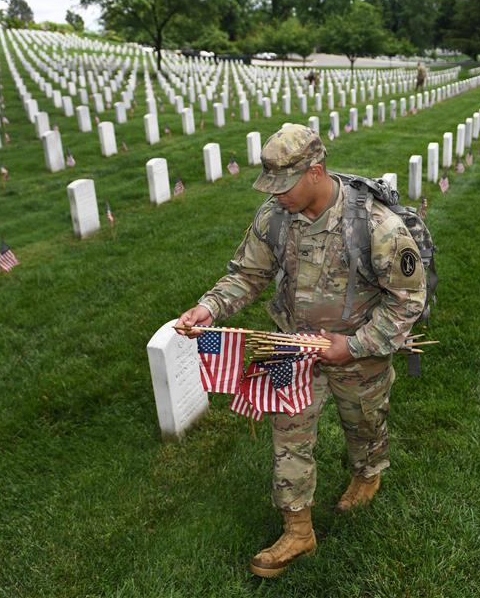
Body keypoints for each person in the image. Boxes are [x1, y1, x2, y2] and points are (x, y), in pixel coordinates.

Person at [177, 124, 426, 578]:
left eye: (284, 184)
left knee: (364, 423)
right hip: (292, 347)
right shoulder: (274, 216)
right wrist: (209, 307)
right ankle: (298, 530)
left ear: (316, 171)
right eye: (271, 185)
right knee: (288, 436)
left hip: (359, 351)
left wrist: (352, 345)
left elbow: (407, 301)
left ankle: (367, 472)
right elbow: (247, 274)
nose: (277, 194)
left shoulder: (377, 226)